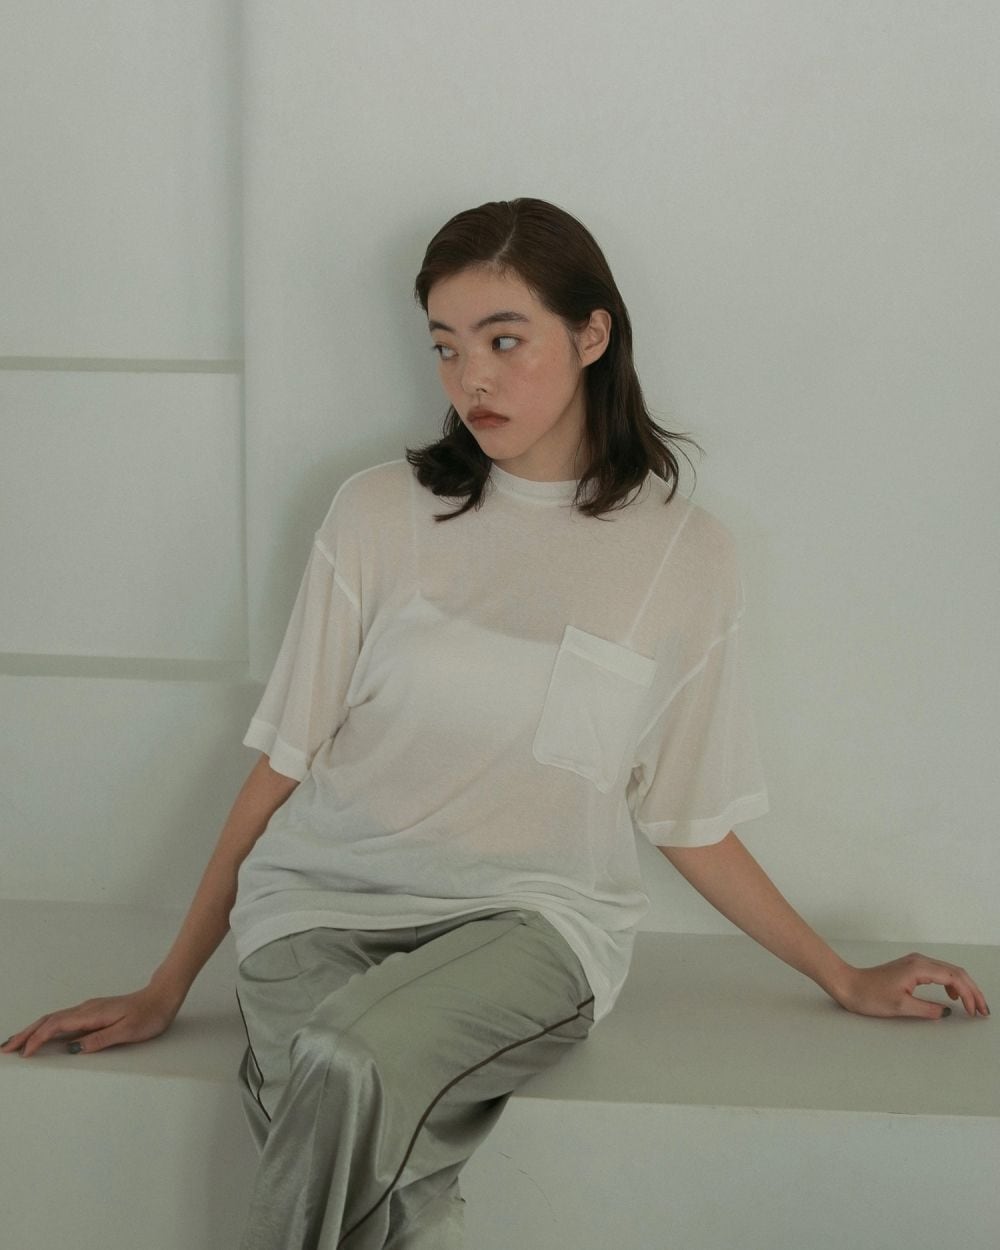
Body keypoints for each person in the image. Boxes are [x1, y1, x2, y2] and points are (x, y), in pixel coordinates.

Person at [3, 197, 989, 1249]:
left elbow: (685, 814)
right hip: (316, 906)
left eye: (503, 340)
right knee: (373, 1143)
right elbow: (283, 761)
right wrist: (167, 988)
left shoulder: (683, 554)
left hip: (532, 924)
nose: (470, 378)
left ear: (592, 333)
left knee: (343, 1061)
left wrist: (840, 972)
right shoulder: (376, 511)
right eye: (445, 346)